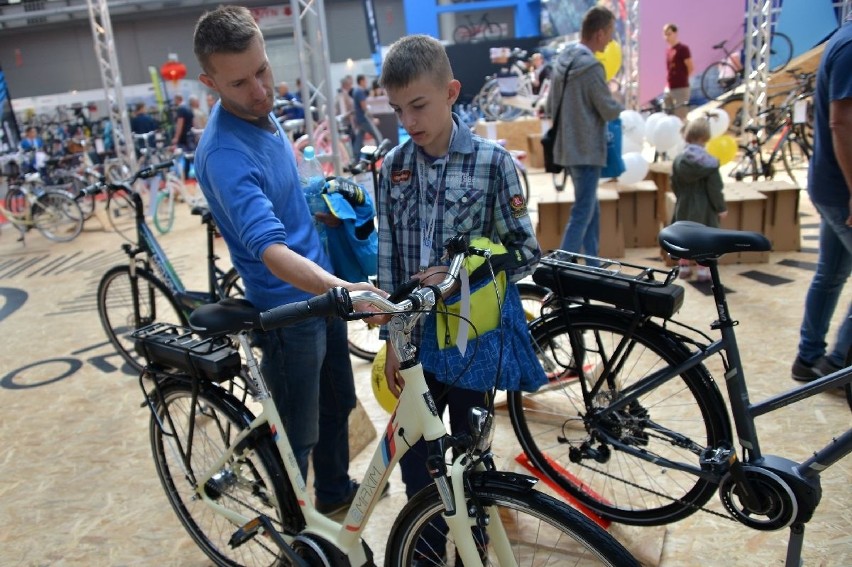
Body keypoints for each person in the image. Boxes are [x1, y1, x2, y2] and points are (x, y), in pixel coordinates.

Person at [191, 5, 385, 516]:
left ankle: (335, 491)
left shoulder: (262, 114)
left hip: (321, 295)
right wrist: (344, 289)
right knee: (298, 434)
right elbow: (272, 252)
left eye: (262, 70)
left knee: (338, 404)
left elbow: (281, 202)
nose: (259, 90)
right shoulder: (224, 154)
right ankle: (297, 530)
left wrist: (314, 202)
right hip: (287, 312)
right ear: (209, 83)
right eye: (239, 83)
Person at [377, 34, 541, 565]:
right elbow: (388, 261)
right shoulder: (392, 168)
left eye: (419, 105)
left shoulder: (495, 164)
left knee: (469, 456)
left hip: (472, 343)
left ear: (451, 92)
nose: (409, 121)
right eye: (398, 109)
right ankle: (423, 552)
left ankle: (473, 544)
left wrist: (460, 272)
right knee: (415, 462)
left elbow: (524, 252)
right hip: (416, 347)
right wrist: (391, 342)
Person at [791, 15, 852, 384]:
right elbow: (840, 123)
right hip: (841, 189)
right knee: (829, 275)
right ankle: (837, 363)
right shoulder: (849, 47)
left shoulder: (842, 39)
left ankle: (809, 358)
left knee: (830, 274)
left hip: (833, 185)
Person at [545, 5, 623, 261]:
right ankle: (563, 264)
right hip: (587, 149)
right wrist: (618, 100)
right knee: (583, 211)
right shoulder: (591, 68)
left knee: (591, 208)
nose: (611, 39)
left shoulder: (562, 62)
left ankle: (592, 262)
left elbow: (549, 106)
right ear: (599, 33)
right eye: (610, 32)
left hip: (567, 148)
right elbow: (608, 109)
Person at [670, 117, 727, 281]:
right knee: (704, 239)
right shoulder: (710, 163)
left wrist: (681, 197)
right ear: (705, 138)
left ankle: (684, 267)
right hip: (705, 207)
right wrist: (720, 207)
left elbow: (674, 183)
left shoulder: (679, 160)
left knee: (684, 237)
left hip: (684, 204)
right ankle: (703, 270)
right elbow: (715, 188)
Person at [663, 23, 693, 120]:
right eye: (665, 34)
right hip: (669, 87)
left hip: (681, 88)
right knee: (669, 117)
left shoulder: (683, 49)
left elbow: (690, 67)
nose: (667, 37)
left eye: (669, 34)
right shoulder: (668, 50)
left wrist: (682, 78)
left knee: (681, 117)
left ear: (675, 33)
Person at [350, 74, 383, 156]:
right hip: (364, 119)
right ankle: (380, 153)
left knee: (359, 139)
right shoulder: (360, 92)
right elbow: (364, 107)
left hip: (360, 119)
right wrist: (372, 119)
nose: (366, 83)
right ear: (361, 81)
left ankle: (356, 155)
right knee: (378, 136)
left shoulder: (355, 91)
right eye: (365, 81)